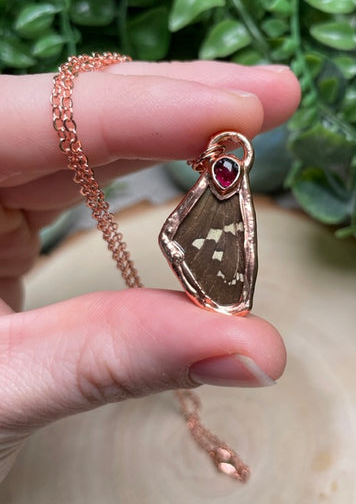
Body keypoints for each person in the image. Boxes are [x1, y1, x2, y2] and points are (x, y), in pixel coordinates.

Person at [0, 59, 301, 482]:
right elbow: (174, 236)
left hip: (224, 280)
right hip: (216, 279)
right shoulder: (217, 196)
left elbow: (178, 236)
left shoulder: (227, 194)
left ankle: (200, 424)